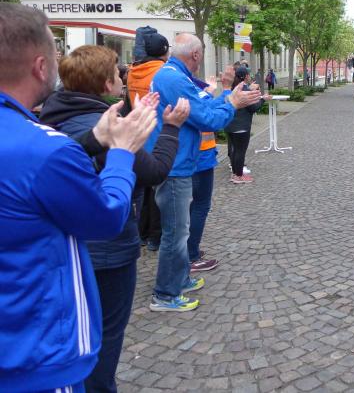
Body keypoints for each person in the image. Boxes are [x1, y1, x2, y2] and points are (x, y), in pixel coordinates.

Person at [0, 3, 157, 391]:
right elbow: (106, 217)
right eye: (55, 54)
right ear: (41, 67)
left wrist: (95, 139)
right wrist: (122, 152)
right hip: (36, 355)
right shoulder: (46, 149)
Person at [39, 45, 189, 393]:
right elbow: (155, 171)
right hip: (108, 249)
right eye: (118, 73)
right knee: (105, 336)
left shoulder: (48, 116)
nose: (124, 77)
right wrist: (170, 128)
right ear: (107, 84)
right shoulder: (109, 128)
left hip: (62, 246)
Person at [146, 33, 262, 312]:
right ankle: (165, 295)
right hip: (175, 165)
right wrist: (233, 103)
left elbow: (204, 106)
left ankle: (180, 279)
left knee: (181, 229)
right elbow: (208, 119)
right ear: (196, 55)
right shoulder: (174, 79)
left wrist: (228, 96)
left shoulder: (175, 75)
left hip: (179, 161)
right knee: (175, 233)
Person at [128, 27, 170, 251]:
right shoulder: (162, 72)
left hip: (138, 134)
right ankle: (156, 236)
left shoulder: (133, 71)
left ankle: (142, 233)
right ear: (164, 51)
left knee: (143, 189)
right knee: (157, 189)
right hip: (157, 132)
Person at [188, 73, 225, 273]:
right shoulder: (191, 90)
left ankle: (189, 250)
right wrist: (220, 91)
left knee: (193, 205)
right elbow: (208, 112)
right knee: (200, 205)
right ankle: (191, 255)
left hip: (197, 156)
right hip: (200, 158)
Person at [225, 66, 265, 184]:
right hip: (241, 126)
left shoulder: (232, 87)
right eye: (249, 74)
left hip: (229, 125)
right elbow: (253, 107)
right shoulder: (245, 89)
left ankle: (234, 174)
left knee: (234, 150)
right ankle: (238, 176)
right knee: (240, 151)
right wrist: (262, 99)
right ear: (246, 76)